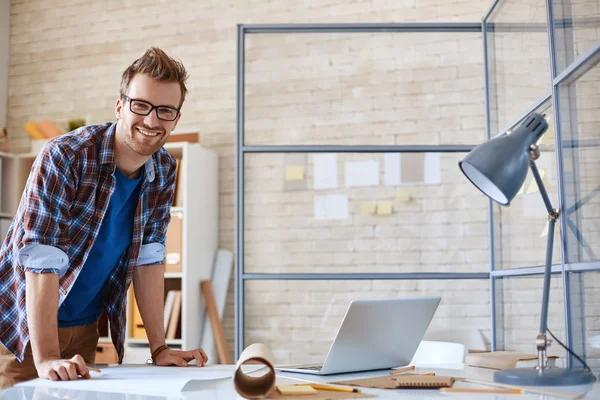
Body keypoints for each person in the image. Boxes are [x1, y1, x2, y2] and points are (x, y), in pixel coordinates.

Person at [0, 47, 208, 389]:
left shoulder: (165, 169)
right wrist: (47, 356)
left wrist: (159, 349)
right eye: (141, 105)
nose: (152, 121)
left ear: (176, 118)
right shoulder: (65, 156)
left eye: (165, 111)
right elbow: (41, 258)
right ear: (119, 106)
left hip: (84, 330)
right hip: (19, 332)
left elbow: (149, 258)